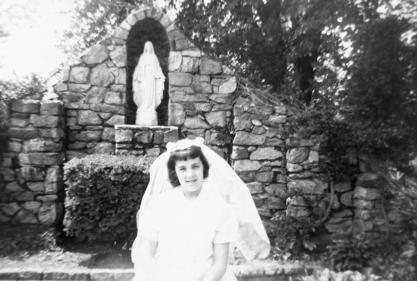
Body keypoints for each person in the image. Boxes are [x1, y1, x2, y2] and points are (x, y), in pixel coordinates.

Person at [131, 138, 270, 281]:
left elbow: (220, 264)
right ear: (175, 172)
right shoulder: (160, 206)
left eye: (195, 166)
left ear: (204, 168)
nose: (190, 175)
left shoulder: (220, 210)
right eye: (183, 168)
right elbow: (146, 255)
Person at [132, 41, 165, 126]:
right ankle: (143, 107)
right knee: (144, 92)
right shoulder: (142, 57)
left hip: (151, 78)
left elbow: (158, 68)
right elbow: (139, 68)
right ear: (145, 48)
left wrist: (161, 75)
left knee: (151, 94)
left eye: (150, 46)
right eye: (147, 46)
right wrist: (137, 75)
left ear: (152, 48)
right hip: (144, 77)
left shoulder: (154, 57)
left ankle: (150, 108)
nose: (149, 48)